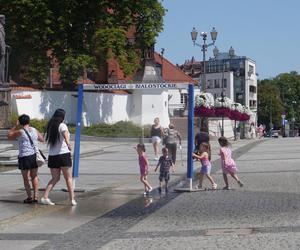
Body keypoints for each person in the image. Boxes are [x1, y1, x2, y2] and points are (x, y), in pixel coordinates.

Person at [41, 109, 76, 206]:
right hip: (63, 154)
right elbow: (65, 134)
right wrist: (68, 144)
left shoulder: (50, 126)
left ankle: (45, 197)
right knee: (68, 178)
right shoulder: (62, 125)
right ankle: (72, 199)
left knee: (55, 178)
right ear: (62, 116)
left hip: (52, 156)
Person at [7, 114, 44, 203]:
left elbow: (9, 136)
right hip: (34, 156)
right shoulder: (34, 130)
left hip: (24, 157)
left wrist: (15, 126)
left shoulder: (20, 131)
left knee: (26, 178)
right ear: (29, 121)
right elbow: (42, 139)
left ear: (20, 122)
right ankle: (36, 196)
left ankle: (29, 197)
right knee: (34, 176)